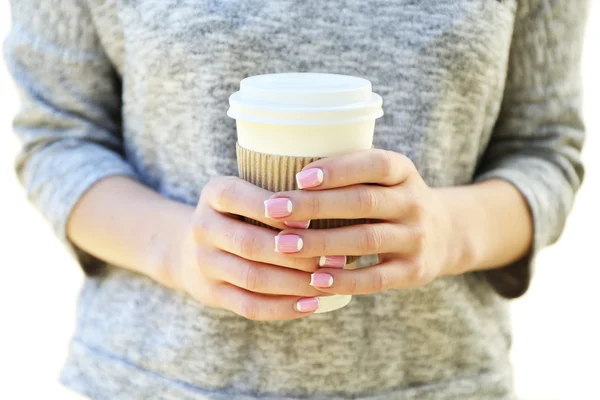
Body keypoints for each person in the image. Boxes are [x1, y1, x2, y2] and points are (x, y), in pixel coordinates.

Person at [4, 0, 590, 399]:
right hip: (157, 380)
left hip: (439, 380)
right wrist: (177, 249)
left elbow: (543, 148)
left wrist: (446, 231)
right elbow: (61, 136)